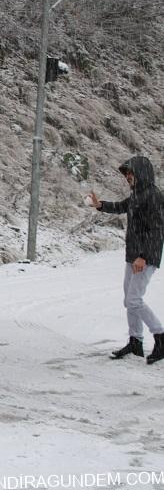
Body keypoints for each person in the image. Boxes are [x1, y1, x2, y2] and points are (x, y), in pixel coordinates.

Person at [88, 156, 164, 365]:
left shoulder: (153, 196)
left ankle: (160, 336)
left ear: (142, 173)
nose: (128, 177)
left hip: (145, 257)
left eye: (131, 173)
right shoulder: (138, 195)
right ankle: (135, 341)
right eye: (126, 174)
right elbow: (121, 206)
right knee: (129, 300)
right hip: (134, 256)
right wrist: (100, 205)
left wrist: (143, 256)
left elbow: (156, 230)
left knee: (133, 300)